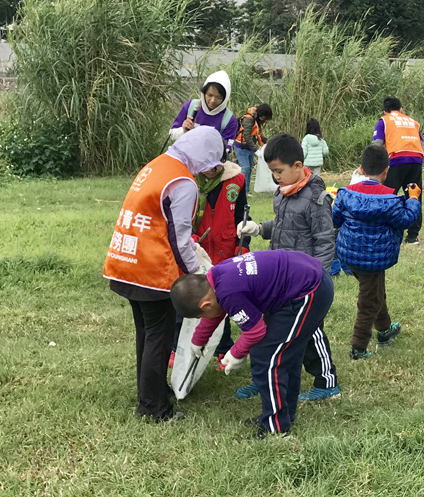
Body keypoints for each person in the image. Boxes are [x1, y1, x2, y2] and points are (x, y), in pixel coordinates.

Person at [103, 127, 225, 422]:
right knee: (159, 336)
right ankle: (154, 409)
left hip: (126, 262)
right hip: (151, 269)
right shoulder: (182, 180)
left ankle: (150, 393)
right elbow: (179, 237)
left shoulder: (158, 165)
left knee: (146, 334)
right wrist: (197, 274)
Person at [170, 250, 334, 438]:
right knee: (284, 354)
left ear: (205, 305)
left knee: (267, 358)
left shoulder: (229, 292)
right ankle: (283, 415)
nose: (203, 319)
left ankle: (275, 426)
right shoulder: (216, 277)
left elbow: (255, 331)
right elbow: (218, 310)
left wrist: (235, 353)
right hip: (300, 282)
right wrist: (198, 340)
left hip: (308, 291)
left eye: (201, 316)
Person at [235, 134, 339, 402]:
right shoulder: (283, 195)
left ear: (298, 165)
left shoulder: (316, 198)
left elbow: (325, 240)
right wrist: (259, 228)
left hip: (306, 281)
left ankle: (326, 381)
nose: (276, 177)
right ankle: (265, 378)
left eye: (279, 171)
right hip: (278, 277)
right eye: (272, 172)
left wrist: (321, 278)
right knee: (271, 328)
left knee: (310, 331)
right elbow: (282, 225)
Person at [333, 144, 421, 359]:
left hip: (349, 256)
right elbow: (406, 220)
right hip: (374, 259)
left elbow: (334, 219)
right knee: (369, 301)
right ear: (386, 171)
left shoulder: (345, 194)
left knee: (374, 291)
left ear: (361, 169)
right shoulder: (390, 199)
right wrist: (413, 200)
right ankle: (358, 347)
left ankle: (384, 330)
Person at [169, 148, 250, 370]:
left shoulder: (237, 180)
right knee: (187, 299)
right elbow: (181, 218)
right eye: (206, 165)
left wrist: (242, 246)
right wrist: (190, 241)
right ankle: (176, 346)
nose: (212, 170)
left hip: (225, 252)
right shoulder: (188, 182)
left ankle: (223, 347)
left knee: (221, 303)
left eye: (217, 165)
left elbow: (242, 215)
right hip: (195, 252)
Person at [372, 96, 424, 245]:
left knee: (388, 195)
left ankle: (386, 230)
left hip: (395, 160)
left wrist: (376, 166)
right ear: (401, 109)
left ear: (385, 111)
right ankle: (413, 236)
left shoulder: (384, 121)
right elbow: (421, 143)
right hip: (416, 159)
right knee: (414, 195)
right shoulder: (413, 122)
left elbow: (377, 145)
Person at [168, 71, 238, 152]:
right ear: (204, 92)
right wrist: (183, 130)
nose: (212, 101)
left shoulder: (229, 120)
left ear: (225, 98)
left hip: (208, 163)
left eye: (218, 97)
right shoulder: (190, 106)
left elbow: (226, 151)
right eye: (209, 95)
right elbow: (171, 134)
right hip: (182, 159)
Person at [234, 103, 273, 195]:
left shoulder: (257, 121)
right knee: (245, 168)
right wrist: (256, 150)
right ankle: (240, 191)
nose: (265, 119)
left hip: (249, 148)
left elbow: (258, 134)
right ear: (261, 113)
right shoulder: (248, 119)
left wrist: (269, 142)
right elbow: (246, 136)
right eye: (265, 116)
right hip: (241, 147)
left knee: (250, 169)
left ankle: (247, 191)